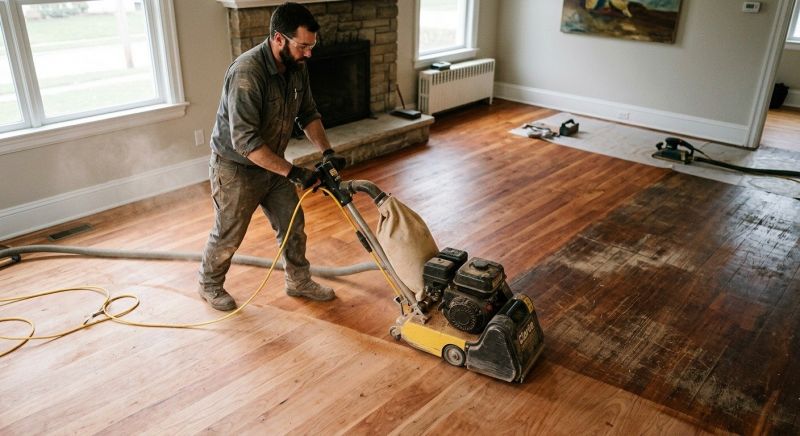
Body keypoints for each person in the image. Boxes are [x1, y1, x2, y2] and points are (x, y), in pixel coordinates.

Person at [198, 2, 346, 311]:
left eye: (311, 46)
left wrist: (327, 151)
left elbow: (308, 113)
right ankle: (209, 284)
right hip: (236, 168)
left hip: (273, 163)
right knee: (228, 234)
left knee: (293, 225)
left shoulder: (297, 67)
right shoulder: (247, 73)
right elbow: (246, 142)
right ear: (279, 38)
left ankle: (298, 281)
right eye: (302, 46)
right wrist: (294, 172)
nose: (308, 53)